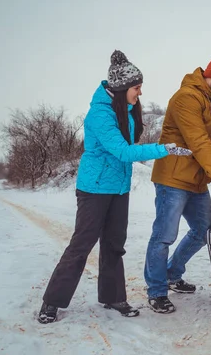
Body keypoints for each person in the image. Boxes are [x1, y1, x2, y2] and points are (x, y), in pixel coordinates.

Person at [37, 50, 192, 324]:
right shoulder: (100, 114)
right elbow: (122, 151)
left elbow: (126, 150)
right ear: (121, 89)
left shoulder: (127, 111)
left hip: (118, 188)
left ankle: (113, 297)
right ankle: (52, 302)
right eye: (136, 88)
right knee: (81, 244)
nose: (139, 93)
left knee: (114, 244)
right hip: (94, 189)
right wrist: (164, 149)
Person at [144, 55, 211, 314]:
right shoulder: (186, 98)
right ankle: (157, 291)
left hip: (195, 180)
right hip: (172, 179)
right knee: (163, 236)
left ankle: (172, 273)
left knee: (204, 229)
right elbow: (199, 140)